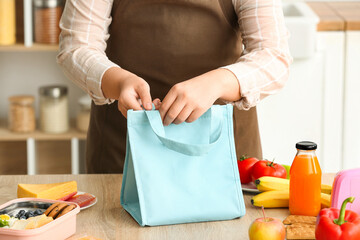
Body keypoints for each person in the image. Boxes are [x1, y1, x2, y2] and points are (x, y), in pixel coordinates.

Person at [57, 0, 292, 173]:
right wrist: (118, 82)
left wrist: (217, 82)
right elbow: (76, 48)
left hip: (224, 153)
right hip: (124, 148)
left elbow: (273, 56)